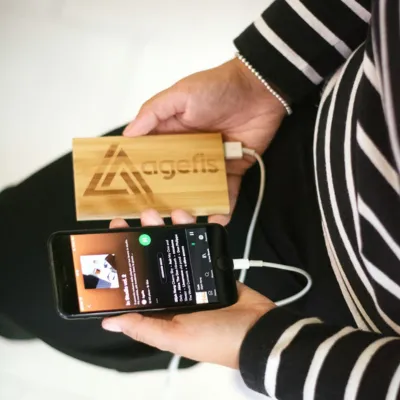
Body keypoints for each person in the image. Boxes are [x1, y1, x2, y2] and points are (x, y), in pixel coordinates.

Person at [0, 0, 399, 399]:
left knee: (38, 291)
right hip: (293, 126)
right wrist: (265, 74)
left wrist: (268, 346)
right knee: (17, 254)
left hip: (340, 307)